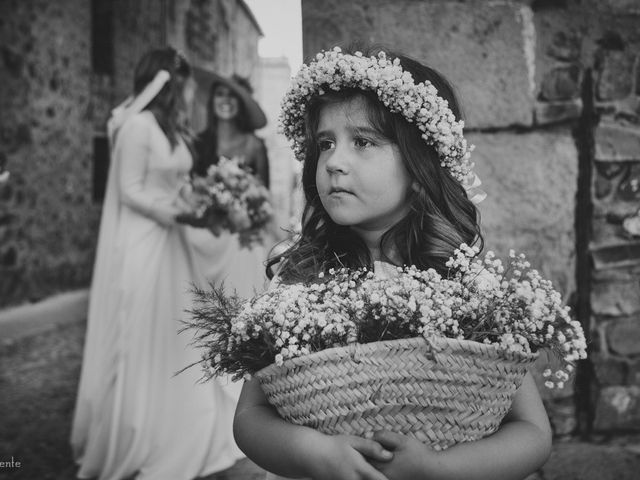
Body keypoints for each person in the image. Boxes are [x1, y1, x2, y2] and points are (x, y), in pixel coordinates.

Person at [233, 46, 552, 480]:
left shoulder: (463, 281)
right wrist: (312, 453)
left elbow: (532, 431)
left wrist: (438, 469)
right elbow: (250, 416)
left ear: (420, 168)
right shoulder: (299, 280)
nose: (333, 163)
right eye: (325, 143)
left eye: (362, 142)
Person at [71, 47, 243, 480]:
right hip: (143, 243)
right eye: (185, 84)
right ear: (169, 83)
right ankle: (140, 427)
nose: (190, 91)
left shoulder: (173, 129)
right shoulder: (136, 128)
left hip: (174, 242)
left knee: (179, 331)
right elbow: (129, 190)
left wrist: (201, 204)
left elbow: (178, 182)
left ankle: (183, 416)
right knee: (143, 332)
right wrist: (177, 214)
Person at [187, 74, 271, 298]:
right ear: (212, 100)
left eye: (233, 96)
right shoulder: (198, 143)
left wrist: (243, 208)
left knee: (248, 253)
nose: (226, 101)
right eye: (221, 94)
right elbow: (190, 190)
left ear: (242, 104)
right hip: (206, 234)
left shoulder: (255, 145)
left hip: (240, 234)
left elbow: (264, 194)